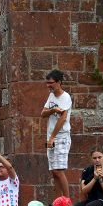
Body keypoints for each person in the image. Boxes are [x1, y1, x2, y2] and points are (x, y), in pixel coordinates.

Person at [40, 69, 72, 199]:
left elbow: (62, 119)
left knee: (59, 171)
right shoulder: (51, 96)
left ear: (59, 82)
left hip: (61, 137)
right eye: (47, 83)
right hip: (51, 138)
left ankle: (67, 202)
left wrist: (52, 137)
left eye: (51, 83)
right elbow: (43, 114)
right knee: (54, 171)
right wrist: (53, 109)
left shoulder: (65, 97)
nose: (48, 85)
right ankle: (58, 202)